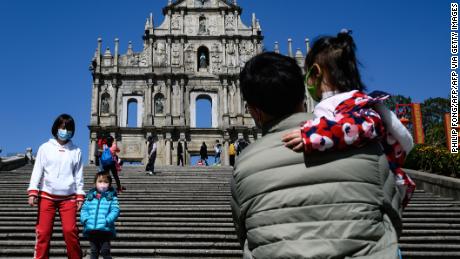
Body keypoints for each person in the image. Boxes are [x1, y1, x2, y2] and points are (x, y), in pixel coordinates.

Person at [231, 52, 401, 258]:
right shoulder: (366, 144)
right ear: (303, 95)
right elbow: (393, 215)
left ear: (254, 111)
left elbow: (245, 233)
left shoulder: (244, 166)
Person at [281, 30, 415, 208]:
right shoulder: (347, 102)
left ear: (316, 72)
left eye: (307, 74)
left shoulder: (353, 104)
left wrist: (313, 134)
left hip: (370, 190)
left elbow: (366, 125)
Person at [27, 114, 84, 259]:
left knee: (70, 231)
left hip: (68, 197)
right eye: (63, 127)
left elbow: (79, 175)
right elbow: (37, 170)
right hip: (47, 196)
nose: (65, 131)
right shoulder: (45, 148)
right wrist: (33, 191)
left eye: (68, 128)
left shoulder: (76, 151)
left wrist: (80, 195)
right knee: (43, 232)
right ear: (57, 128)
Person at [81, 172, 120, 259]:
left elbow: (115, 210)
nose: (102, 184)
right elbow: (84, 209)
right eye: (100, 181)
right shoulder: (90, 197)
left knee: (105, 251)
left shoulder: (111, 197)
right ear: (95, 183)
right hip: (92, 229)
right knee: (94, 252)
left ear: (109, 184)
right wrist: (85, 219)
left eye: (105, 182)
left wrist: (107, 220)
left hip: (105, 229)